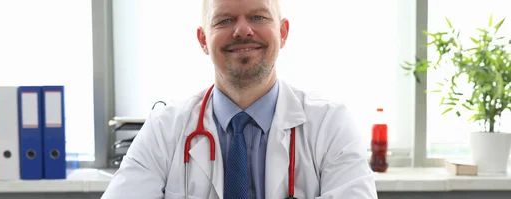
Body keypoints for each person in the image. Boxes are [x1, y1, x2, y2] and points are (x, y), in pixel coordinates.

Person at [101, 0, 378, 198]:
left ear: (282, 33)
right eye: (225, 20)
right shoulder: (163, 129)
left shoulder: (331, 125)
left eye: (258, 17)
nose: (243, 30)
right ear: (202, 39)